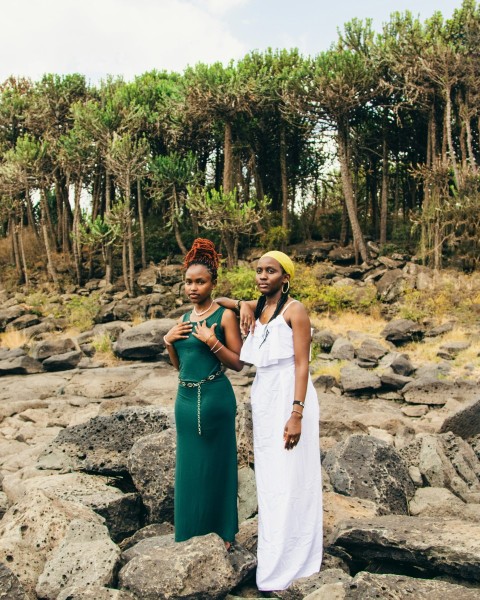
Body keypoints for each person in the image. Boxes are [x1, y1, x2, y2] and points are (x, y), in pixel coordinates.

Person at [217, 250, 323, 591]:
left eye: (271, 271)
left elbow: (303, 364)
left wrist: (296, 413)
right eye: (259, 270)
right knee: (271, 481)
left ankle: (297, 563)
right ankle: (273, 559)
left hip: (290, 394)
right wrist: (242, 304)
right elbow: (218, 298)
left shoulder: (296, 311)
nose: (263, 276)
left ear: (285, 277)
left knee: (293, 478)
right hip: (264, 394)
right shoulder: (258, 307)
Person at [163, 238, 243, 548]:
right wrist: (168, 342)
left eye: (201, 281)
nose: (193, 287)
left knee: (218, 465)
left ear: (212, 283)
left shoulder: (223, 316)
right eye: (189, 282)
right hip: (184, 400)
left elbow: (238, 363)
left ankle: (223, 533)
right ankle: (188, 533)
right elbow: (179, 365)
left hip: (215, 398)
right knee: (189, 469)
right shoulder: (182, 320)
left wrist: (213, 342)